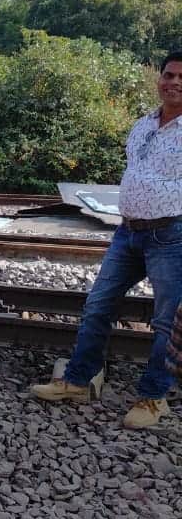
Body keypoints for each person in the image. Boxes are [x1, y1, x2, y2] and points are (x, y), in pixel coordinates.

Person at [30, 52, 182, 429]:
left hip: (171, 235)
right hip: (128, 232)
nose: (174, 83)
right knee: (98, 305)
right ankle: (78, 381)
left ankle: (153, 398)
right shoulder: (144, 124)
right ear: (160, 78)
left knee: (167, 322)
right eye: (169, 75)